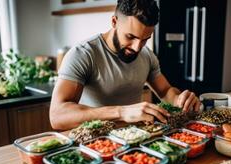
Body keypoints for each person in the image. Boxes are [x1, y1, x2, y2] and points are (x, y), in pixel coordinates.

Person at [50, 0, 200, 130]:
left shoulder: (147, 55)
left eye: (145, 39)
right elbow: (58, 116)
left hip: (135, 140)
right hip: (95, 143)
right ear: (114, 22)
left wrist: (180, 100)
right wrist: (121, 112)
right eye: (130, 36)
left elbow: (166, 91)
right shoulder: (83, 54)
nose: (136, 47)